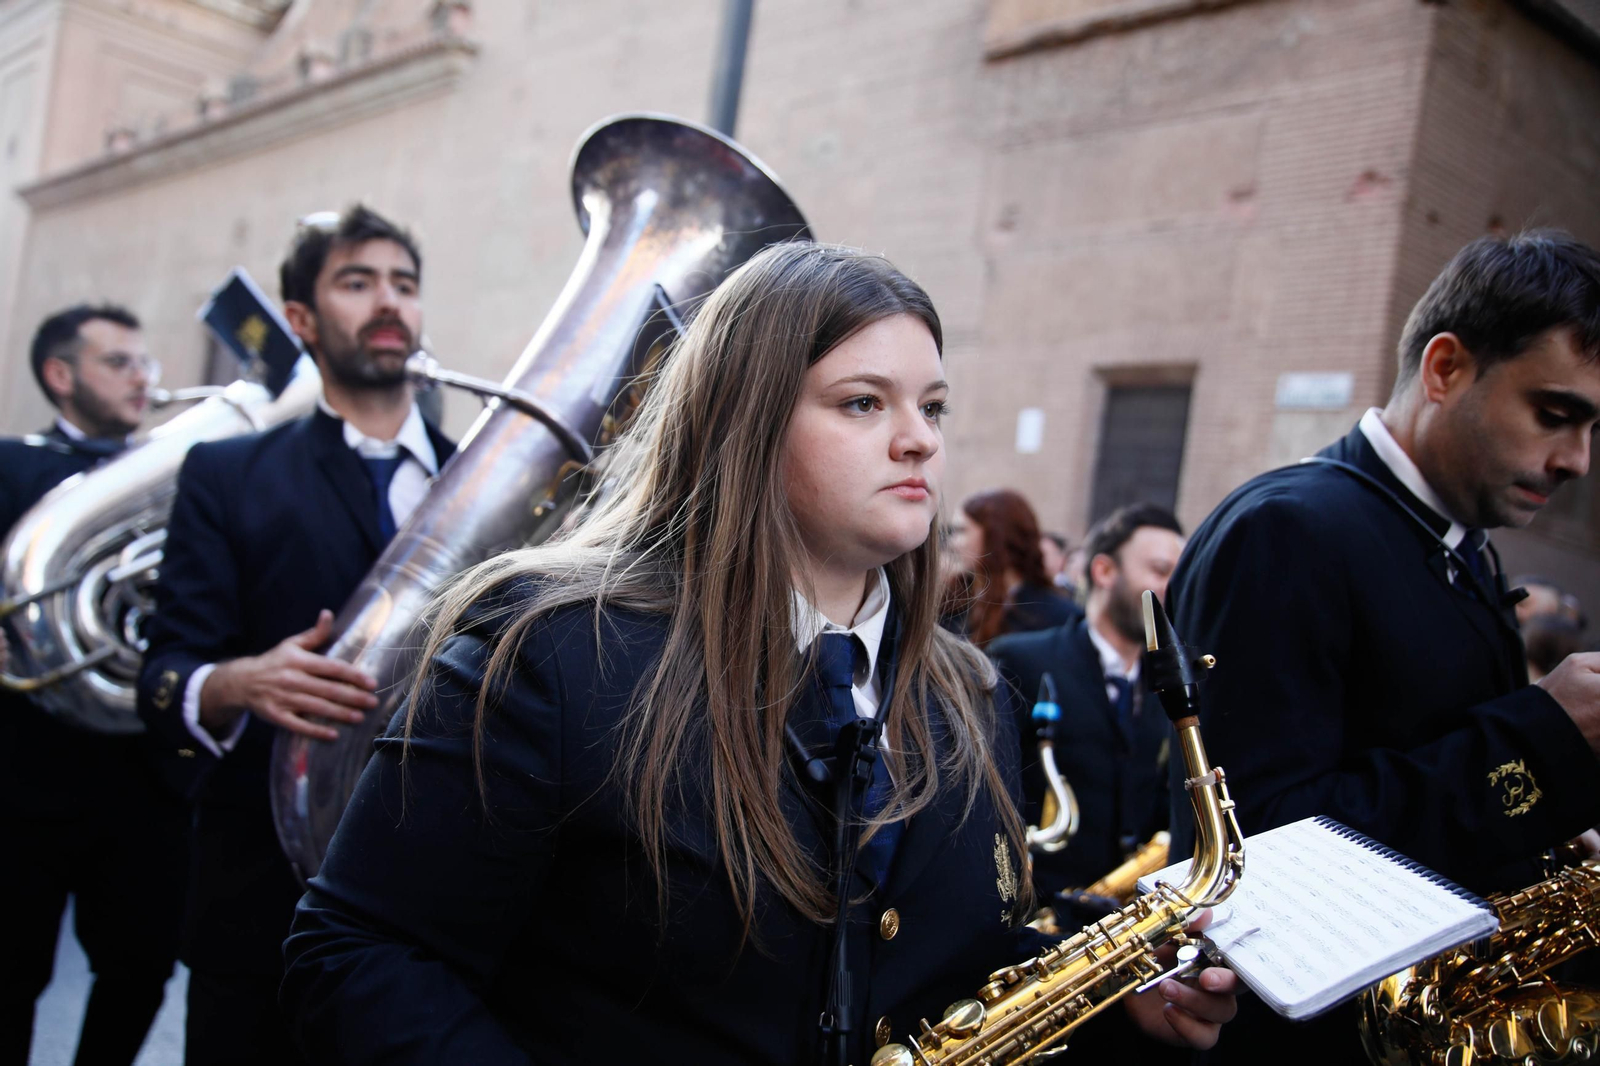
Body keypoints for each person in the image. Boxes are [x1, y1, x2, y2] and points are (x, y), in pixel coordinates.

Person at [279, 243, 1236, 1064]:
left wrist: (1127, 1001)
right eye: (864, 404)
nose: (919, 443)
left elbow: (964, 960)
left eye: (934, 408)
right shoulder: (548, 653)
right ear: (745, 423)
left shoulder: (975, 692)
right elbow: (358, 952)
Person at [1165, 229, 1600, 1064]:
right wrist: (1545, 741)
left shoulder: (1458, 542)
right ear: (1445, 370)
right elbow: (1257, 851)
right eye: (1554, 414)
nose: (1577, 460)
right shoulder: (1286, 529)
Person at [137, 206, 455, 1066]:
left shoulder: (488, 475)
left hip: (445, 908)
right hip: (262, 911)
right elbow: (165, 674)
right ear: (302, 321)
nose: (389, 302)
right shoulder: (227, 474)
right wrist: (240, 682)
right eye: (356, 282)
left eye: (404, 284)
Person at [0, 305, 190, 1066]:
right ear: (60, 375)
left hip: (142, 781)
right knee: (9, 976)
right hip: (26, 776)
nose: (144, 378)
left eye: (146, 363)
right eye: (120, 363)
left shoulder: (179, 476)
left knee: (141, 968)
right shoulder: (13, 465)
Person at [988, 503, 1184, 905]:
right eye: (1160, 572)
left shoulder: (1169, 683)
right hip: (1036, 915)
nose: (1172, 589)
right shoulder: (1019, 660)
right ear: (1104, 571)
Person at [944, 488, 1080, 644]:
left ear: (996, 536)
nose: (952, 543)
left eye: (962, 531)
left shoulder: (1059, 618)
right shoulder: (952, 604)